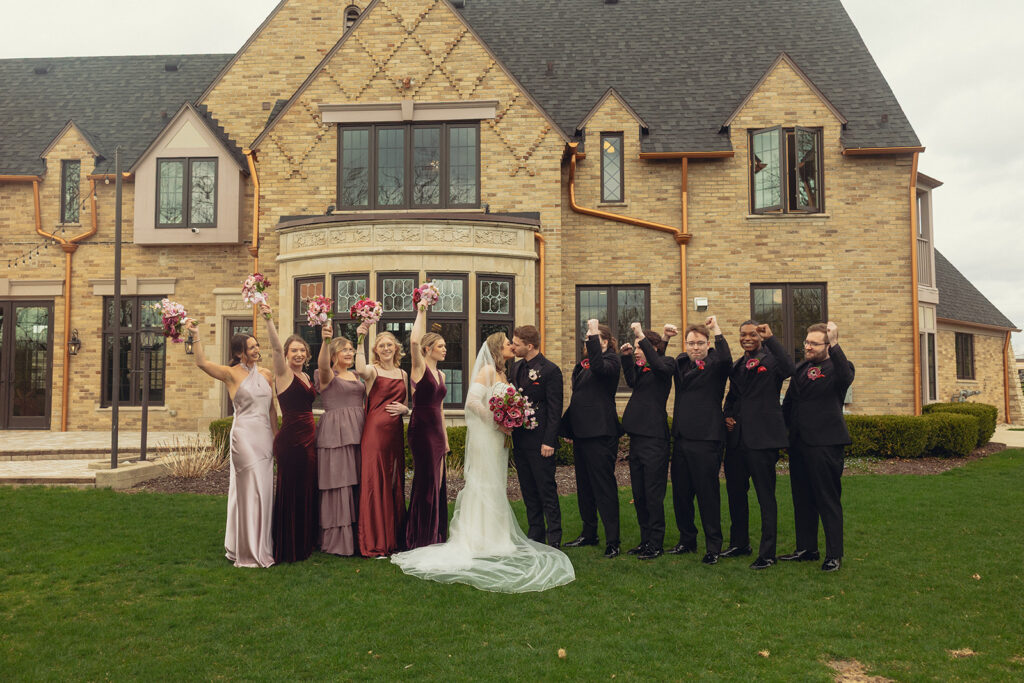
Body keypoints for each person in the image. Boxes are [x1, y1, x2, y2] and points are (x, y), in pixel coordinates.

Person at [391, 333, 575, 592]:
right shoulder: (488, 370)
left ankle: (496, 535)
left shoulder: (506, 372)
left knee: (496, 484)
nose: (512, 346)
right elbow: (472, 402)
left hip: (499, 438)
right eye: (508, 343)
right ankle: (479, 536)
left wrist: (509, 418)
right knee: (484, 483)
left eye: (515, 343)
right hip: (488, 435)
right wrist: (496, 419)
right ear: (499, 348)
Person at [185, 320, 275, 568]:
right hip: (244, 436)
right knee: (249, 489)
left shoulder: (267, 374)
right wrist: (196, 335)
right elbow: (202, 363)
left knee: (265, 490)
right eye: (251, 347)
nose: (257, 350)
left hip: (265, 436)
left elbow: (271, 409)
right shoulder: (230, 374)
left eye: (257, 346)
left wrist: (276, 437)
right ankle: (247, 551)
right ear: (239, 353)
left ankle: (262, 544)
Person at [722, 321, 796, 569]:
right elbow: (733, 397)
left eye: (753, 334)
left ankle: (767, 553)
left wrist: (772, 339)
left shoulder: (772, 360)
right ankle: (740, 543)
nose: (747, 338)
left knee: (766, 497)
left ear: (760, 336)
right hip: (737, 441)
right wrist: (727, 415)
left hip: (762, 440)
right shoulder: (738, 365)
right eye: (743, 334)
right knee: (735, 495)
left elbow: (790, 369)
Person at [782, 322, 855, 572]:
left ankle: (834, 554)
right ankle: (806, 548)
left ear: (827, 345)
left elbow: (846, 377)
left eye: (814, 343)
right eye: (806, 342)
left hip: (826, 444)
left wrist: (836, 344)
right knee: (802, 498)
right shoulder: (801, 368)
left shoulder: (839, 368)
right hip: (799, 445)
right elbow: (789, 404)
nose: (807, 347)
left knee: (827, 499)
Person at [668, 316, 732, 564]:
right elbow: (661, 363)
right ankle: (687, 540)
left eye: (700, 343)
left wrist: (716, 329)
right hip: (682, 438)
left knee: (707, 494)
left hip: (707, 439)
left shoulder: (717, 364)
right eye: (691, 343)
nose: (695, 347)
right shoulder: (681, 363)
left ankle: (713, 546)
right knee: (681, 495)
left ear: (707, 344)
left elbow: (726, 358)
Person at [561, 319, 623, 559]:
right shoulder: (582, 366)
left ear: (605, 341)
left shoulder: (611, 362)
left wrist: (594, 332)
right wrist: (569, 429)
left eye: (594, 338)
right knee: (584, 486)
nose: (589, 342)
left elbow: (599, 368)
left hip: (601, 434)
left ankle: (613, 540)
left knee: (603, 487)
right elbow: (578, 399)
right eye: (587, 339)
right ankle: (589, 533)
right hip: (582, 434)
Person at [262, 302, 318, 563]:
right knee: (291, 490)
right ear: (285, 354)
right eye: (294, 350)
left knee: (306, 489)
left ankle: (305, 541)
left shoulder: (307, 377)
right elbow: (273, 346)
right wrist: (268, 319)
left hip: (309, 442)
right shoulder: (283, 374)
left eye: (302, 351)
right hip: (291, 442)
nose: (299, 354)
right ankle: (289, 545)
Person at [354, 322, 410, 557]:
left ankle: (393, 537)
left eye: (390, 345)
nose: (386, 348)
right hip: (375, 433)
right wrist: (360, 338)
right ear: (376, 350)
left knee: (393, 481)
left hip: (395, 433)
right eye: (382, 346)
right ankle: (375, 540)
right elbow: (358, 369)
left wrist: (406, 411)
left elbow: (407, 404)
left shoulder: (403, 374)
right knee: (375, 482)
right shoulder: (372, 370)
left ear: (396, 349)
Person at [619, 322, 674, 560]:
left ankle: (656, 543)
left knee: (653, 494)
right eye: (638, 346)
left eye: (643, 347)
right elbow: (631, 381)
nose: (639, 349)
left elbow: (659, 363)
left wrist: (643, 337)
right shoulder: (644, 369)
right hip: (637, 439)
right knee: (639, 493)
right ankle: (645, 541)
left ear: (654, 348)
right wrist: (626, 358)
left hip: (655, 441)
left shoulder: (666, 366)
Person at [510, 325, 564, 548]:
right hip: (520, 440)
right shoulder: (514, 368)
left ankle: (554, 538)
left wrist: (549, 441)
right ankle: (535, 535)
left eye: (516, 344)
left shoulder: (550, 370)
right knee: (528, 489)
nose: (512, 347)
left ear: (529, 346)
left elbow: (555, 408)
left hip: (541, 441)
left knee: (546, 490)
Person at [315, 326, 364, 556]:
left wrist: (363, 334)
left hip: (359, 432)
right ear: (333, 354)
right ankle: (337, 540)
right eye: (343, 350)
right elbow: (323, 365)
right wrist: (325, 341)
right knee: (338, 484)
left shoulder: (357, 374)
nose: (349, 353)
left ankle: (358, 537)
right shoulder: (326, 375)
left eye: (351, 349)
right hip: (336, 434)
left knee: (356, 483)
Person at [405, 304, 450, 550]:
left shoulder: (441, 375)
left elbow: (441, 408)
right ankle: (421, 535)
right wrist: (422, 310)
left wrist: (445, 439)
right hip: (421, 429)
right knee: (426, 480)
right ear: (428, 349)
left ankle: (437, 532)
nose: (445, 350)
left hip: (436, 430)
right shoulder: (419, 367)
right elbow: (413, 341)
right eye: (441, 346)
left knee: (439, 481)